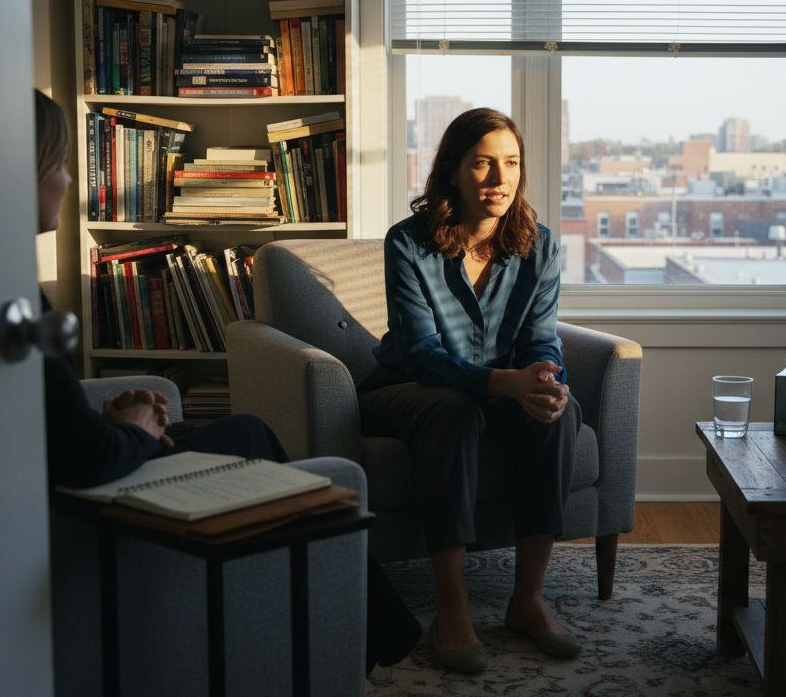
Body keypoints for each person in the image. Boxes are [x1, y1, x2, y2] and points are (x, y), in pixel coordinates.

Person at [32, 89, 418, 672]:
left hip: (96, 457)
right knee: (252, 440)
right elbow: (82, 459)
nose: (68, 180)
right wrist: (133, 430)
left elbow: (53, 426)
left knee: (248, 432)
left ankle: (368, 631)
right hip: (89, 489)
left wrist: (115, 420)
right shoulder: (12, 303)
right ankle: (368, 634)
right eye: (59, 165)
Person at [357, 107, 583, 673]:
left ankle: (528, 600)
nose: (499, 179)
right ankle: (452, 608)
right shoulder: (408, 243)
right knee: (453, 410)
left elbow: (541, 337)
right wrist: (505, 382)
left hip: (497, 391)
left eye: (511, 163)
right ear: (453, 172)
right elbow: (421, 353)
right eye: (482, 164)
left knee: (558, 412)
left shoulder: (541, 246)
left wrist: (544, 379)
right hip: (408, 388)